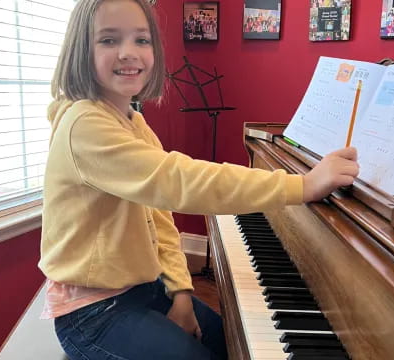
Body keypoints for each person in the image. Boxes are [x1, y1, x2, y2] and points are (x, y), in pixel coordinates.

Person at [38, 0, 359, 359]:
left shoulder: (130, 120)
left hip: (142, 288)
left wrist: (180, 291)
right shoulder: (85, 125)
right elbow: (181, 182)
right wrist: (303, 185)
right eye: (109, 40)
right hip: (92, 314)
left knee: (227, 344)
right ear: (81, 50)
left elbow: (158, 214)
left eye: (141, 40)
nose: (129, 53)